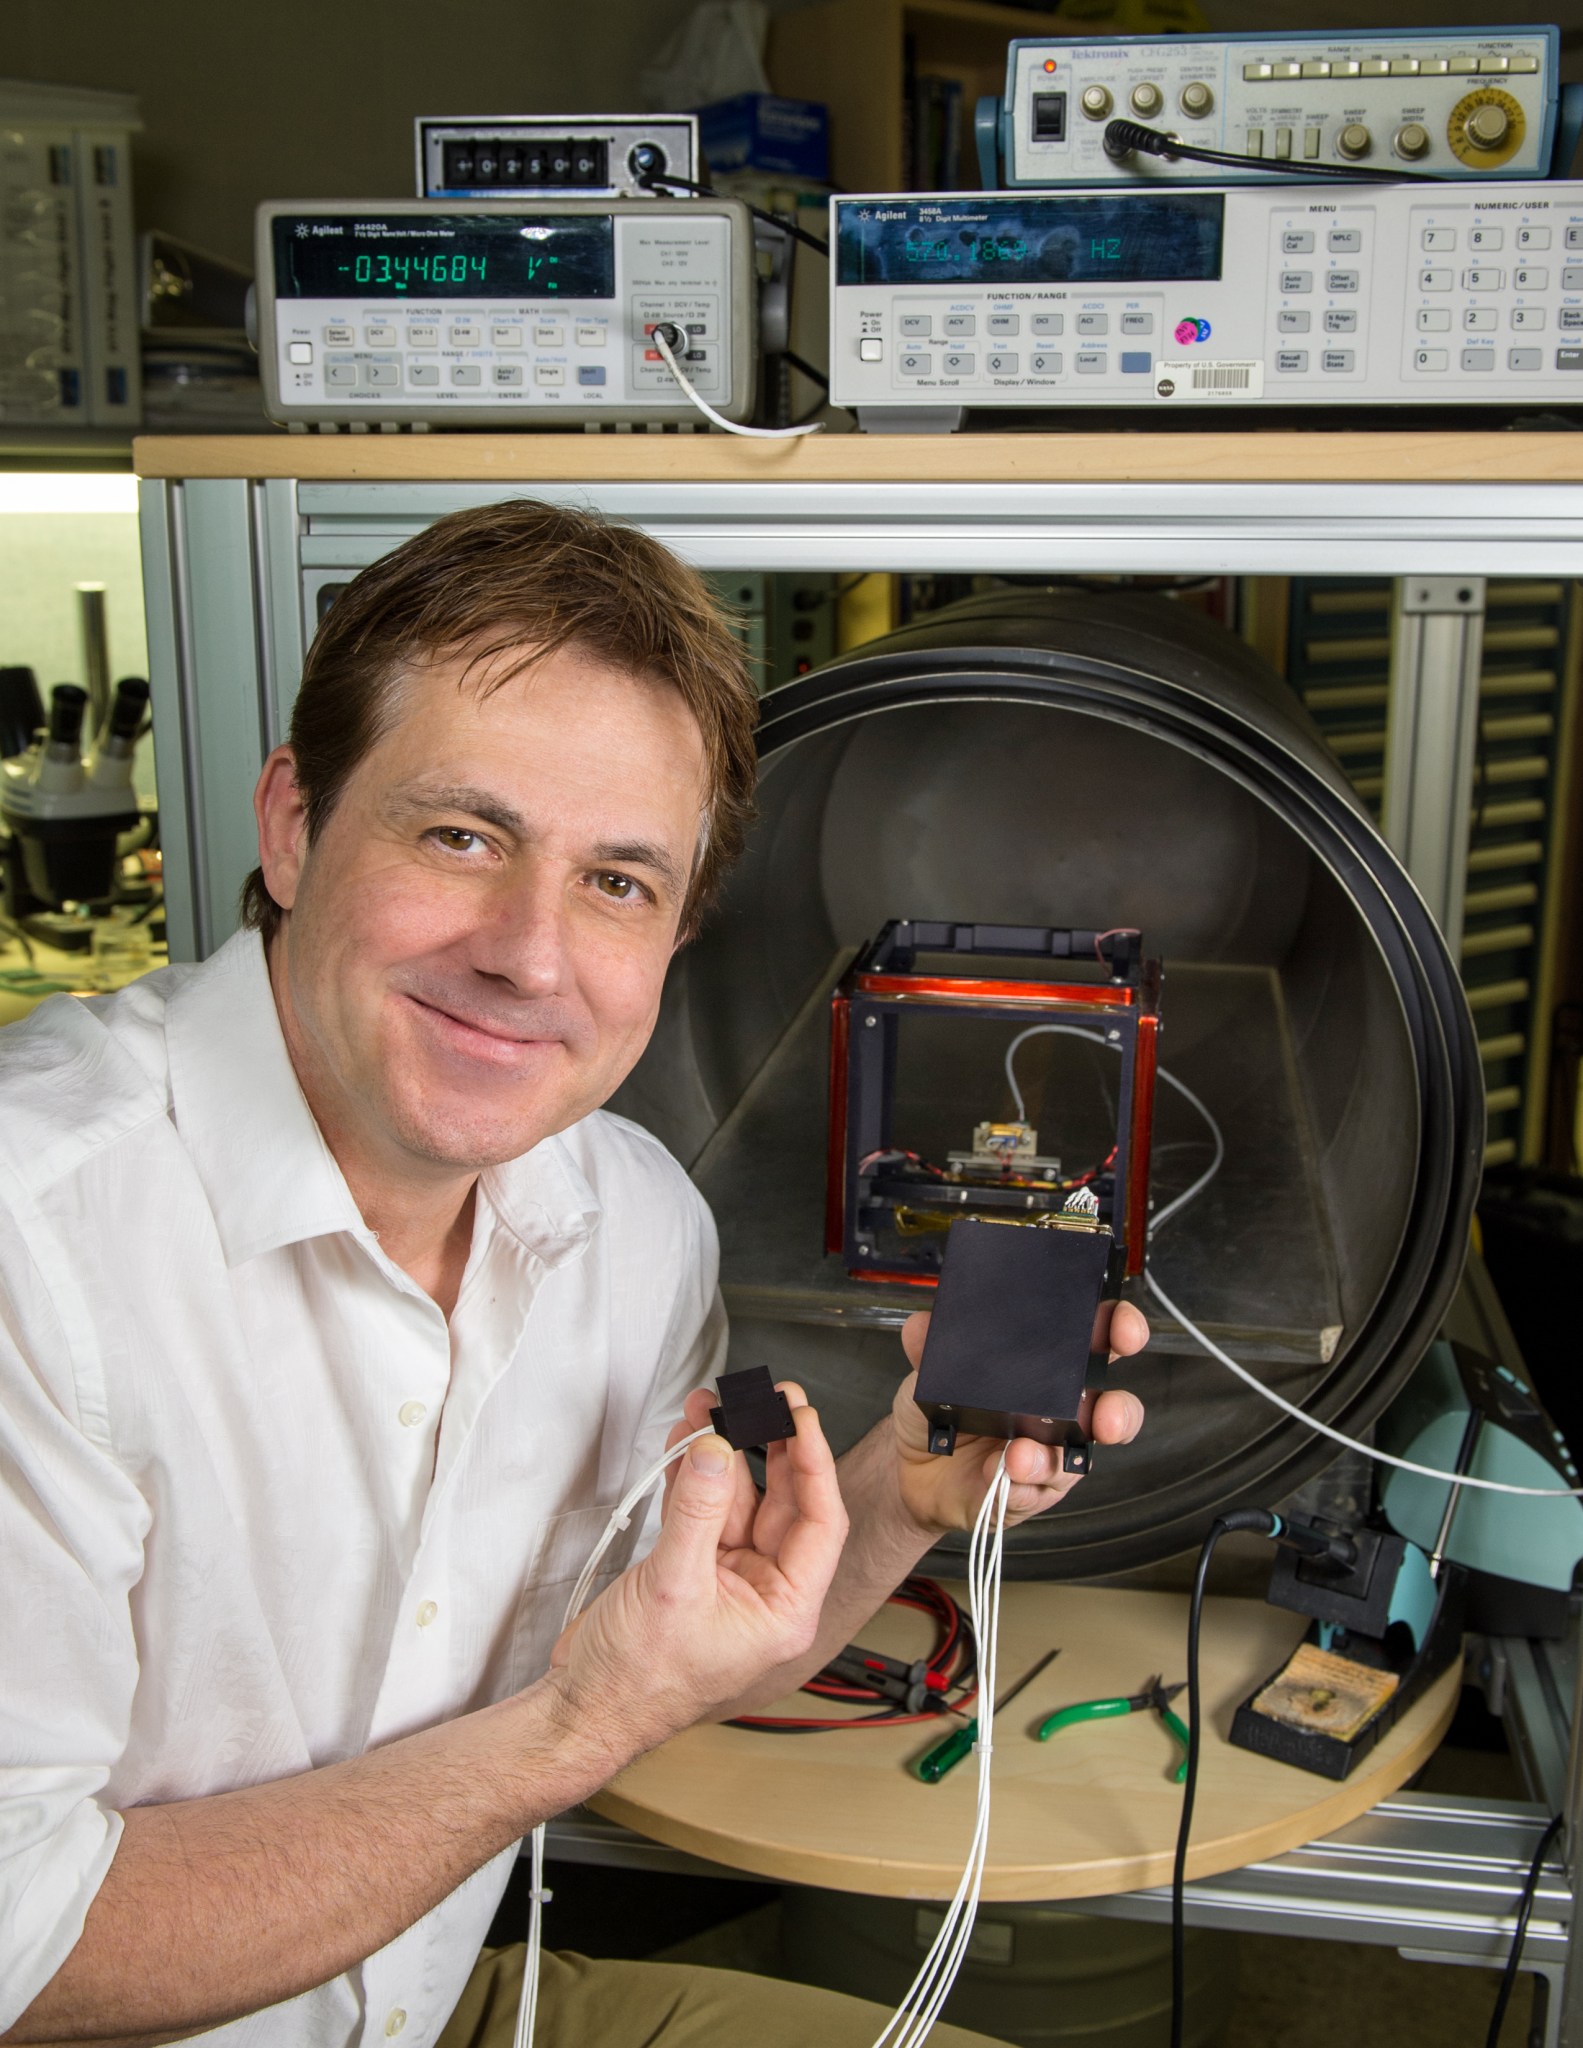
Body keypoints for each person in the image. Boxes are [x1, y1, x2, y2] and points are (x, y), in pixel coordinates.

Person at [0, 500, 1146, 2048]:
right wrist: (569, 1728)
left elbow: (669, 1649)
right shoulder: (39, 1239)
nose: (529, 956)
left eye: (618, 881)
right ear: (291, 823)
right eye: (461, 835)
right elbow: (26, 1948)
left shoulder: (635, 1225)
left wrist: (897, 1493)